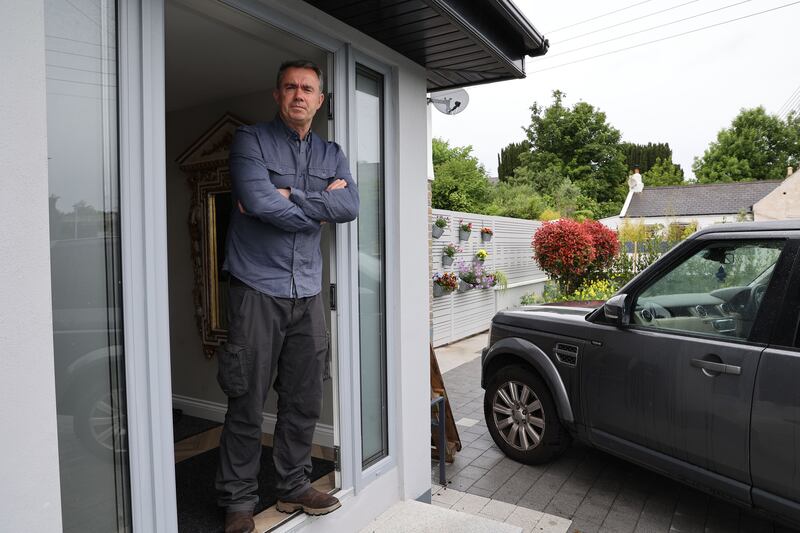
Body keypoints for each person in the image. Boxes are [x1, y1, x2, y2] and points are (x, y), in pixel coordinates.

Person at [216, 59, 359, 533]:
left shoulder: (332, 152)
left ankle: (293, 483)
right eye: (290, 87)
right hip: (257, 287)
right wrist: (319, 205)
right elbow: (256, 201)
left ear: (320, 100)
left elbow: (350, 205)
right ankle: (238, 501)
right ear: (278, 95)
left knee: (303, 397)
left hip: (308, 292)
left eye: (308, 89)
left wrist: (289, 196)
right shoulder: (251, 140)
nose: (299, 95)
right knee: (246, 400)